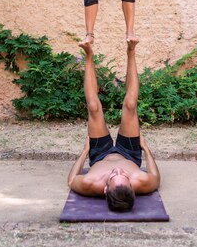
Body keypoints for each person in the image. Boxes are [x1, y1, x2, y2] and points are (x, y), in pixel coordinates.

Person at [67, 39, 160, 212]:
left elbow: (71, 180)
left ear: (105, 189)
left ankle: (88, 54)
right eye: (123, 175)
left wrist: (84, 152)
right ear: (132, 187)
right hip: (129, 153)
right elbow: (155, 176)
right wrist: (146, 149)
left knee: (94, 107)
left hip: (100, 154)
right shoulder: (143, 183)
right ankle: (131, 51)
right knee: (131, 105)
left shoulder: (90, 183)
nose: (118, 170)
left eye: (113, 176)